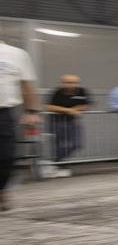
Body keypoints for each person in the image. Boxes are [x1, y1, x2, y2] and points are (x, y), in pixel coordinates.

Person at [0, 40, 39, 211]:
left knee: (6, 156)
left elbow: (26, 85)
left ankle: (1, 189)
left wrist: (31, 110)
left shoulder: (16, 54)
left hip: (3, 112)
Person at [45, 74, 91, 177]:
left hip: (74, 121)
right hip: (57, 122)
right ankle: (58, 165)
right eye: (68, 82)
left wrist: (72, 110)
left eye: (74, 82)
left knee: (78, 144)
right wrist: (68, 110)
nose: (71, 85)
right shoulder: (57, 92)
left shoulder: (82, 91)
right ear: (62, 83)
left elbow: (85, 106)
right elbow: (49, 107)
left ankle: (56, 162)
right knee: (59, 144)